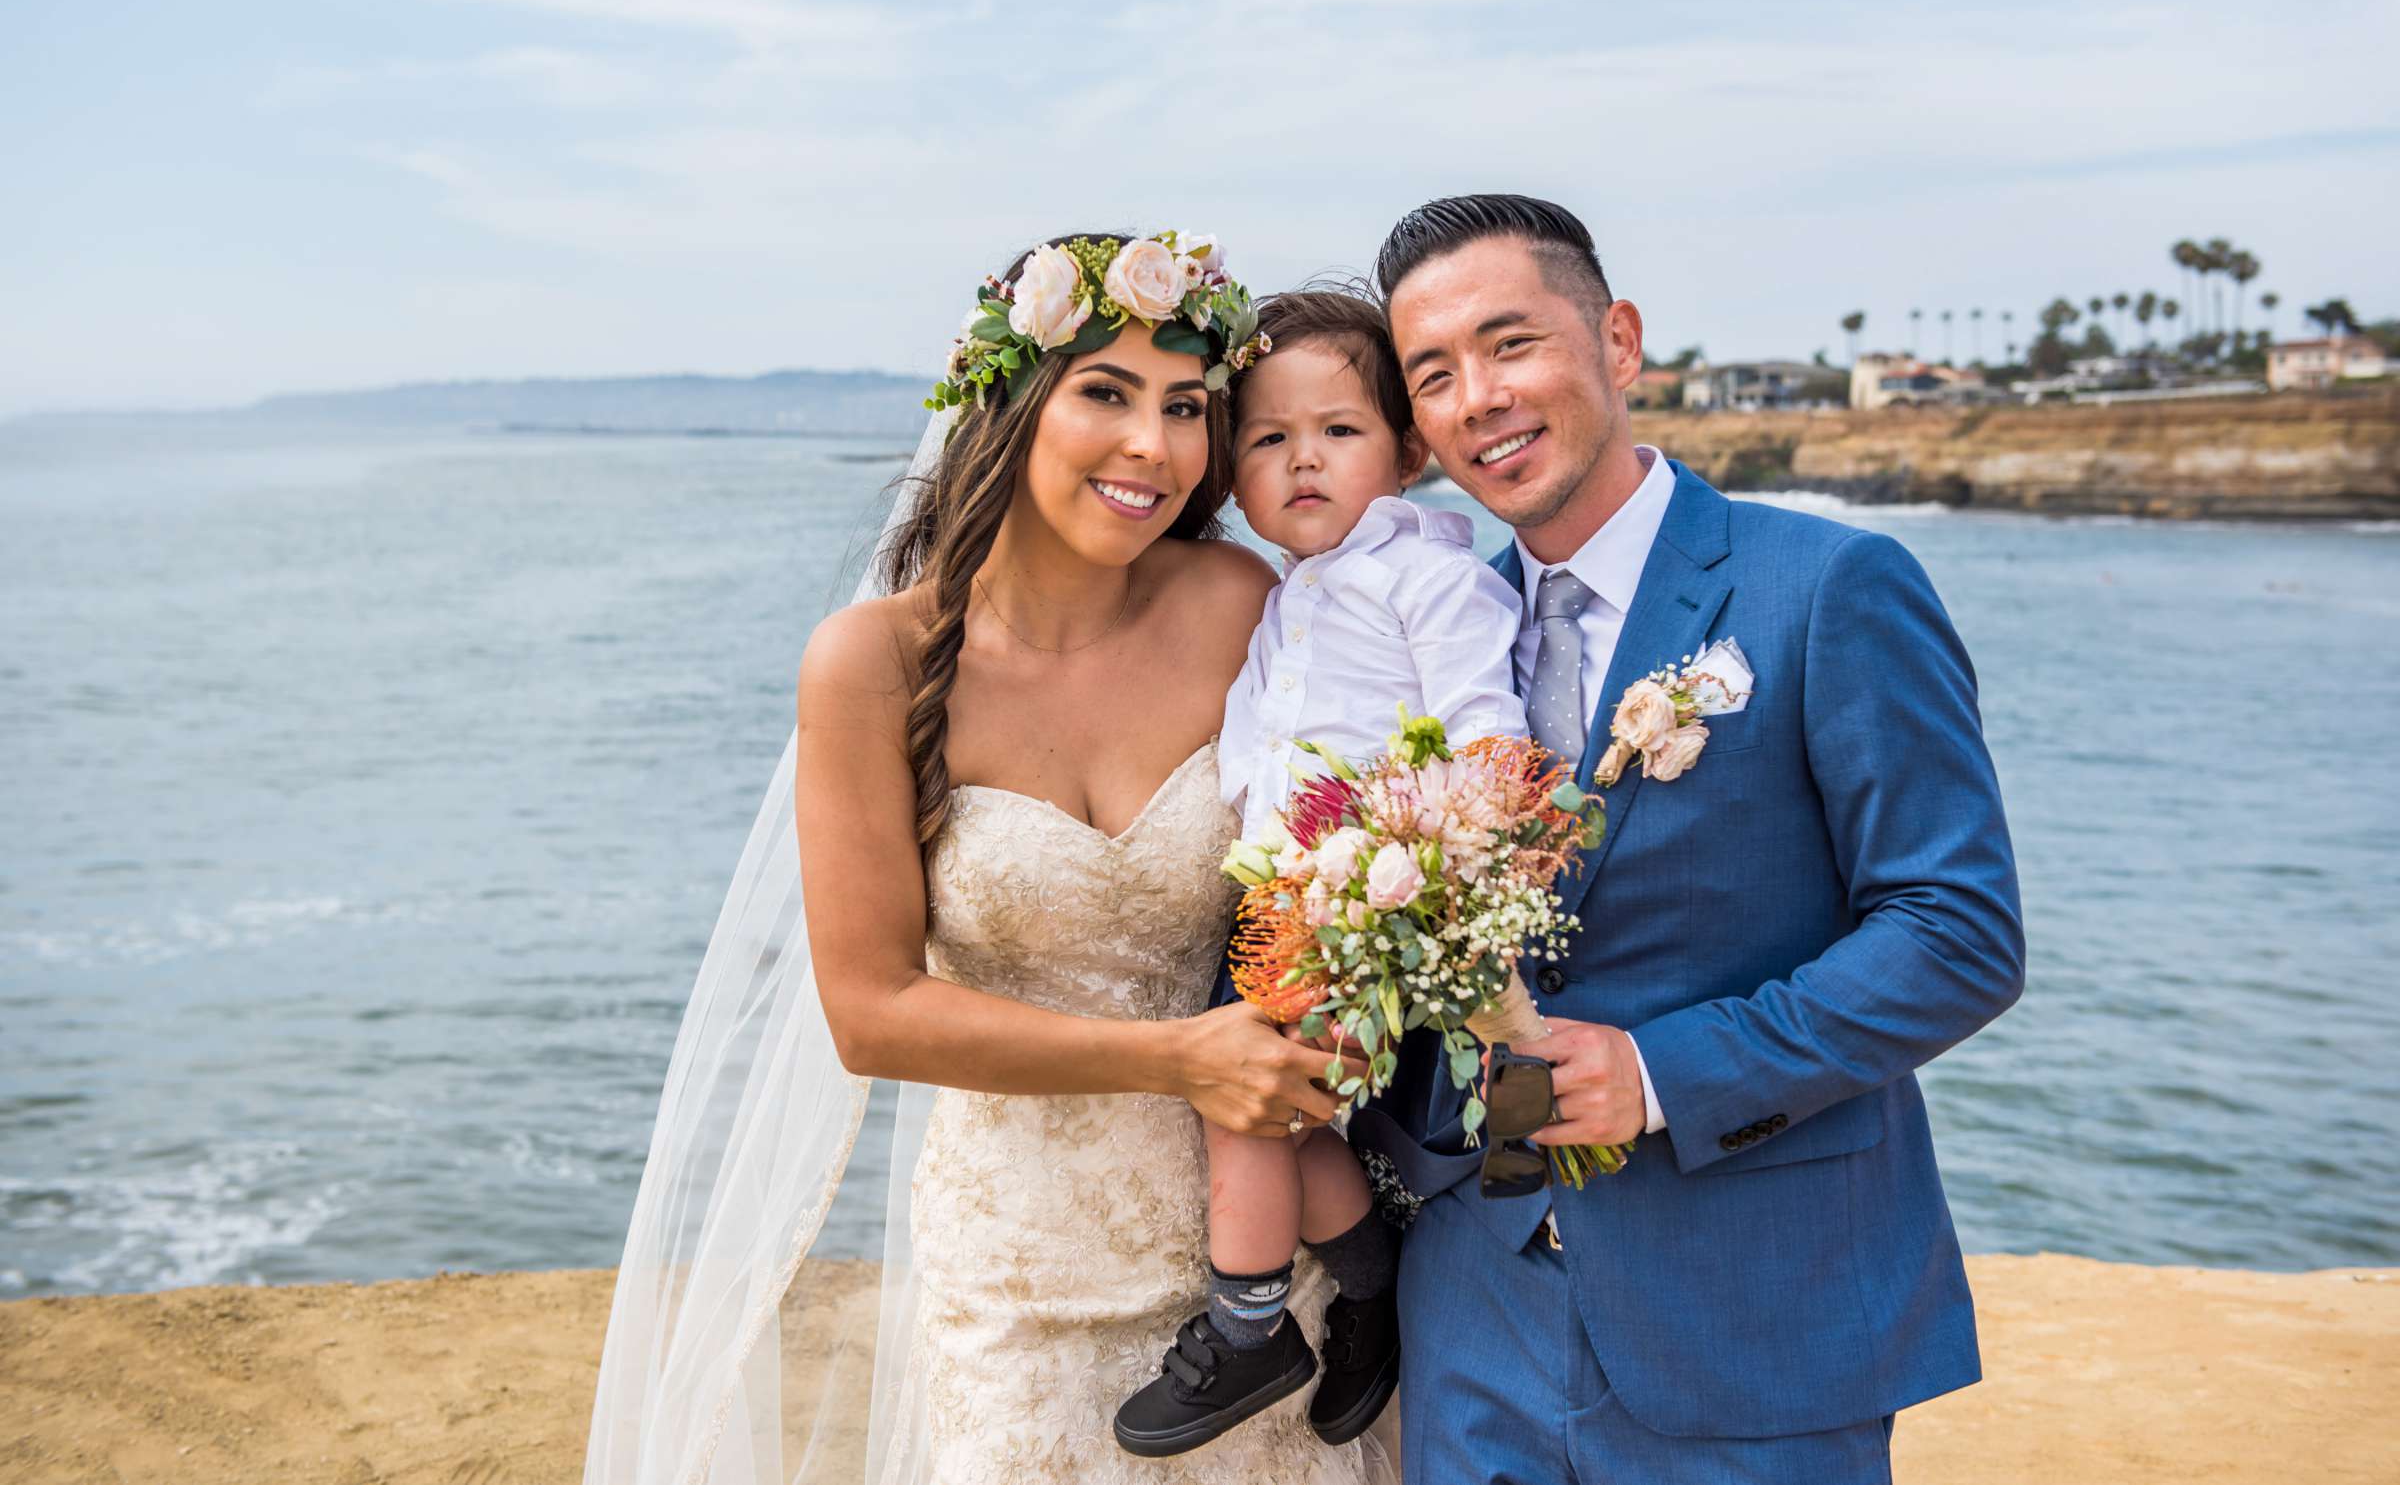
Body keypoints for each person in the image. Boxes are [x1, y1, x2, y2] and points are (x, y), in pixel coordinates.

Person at [582, 229, 1394, 1485]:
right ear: (1006, 408)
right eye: (1106, 394)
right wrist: (1177, 1058)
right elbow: (870, 1013)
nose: (1155, 446)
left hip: (1260, 1253)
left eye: (1188, 407)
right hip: (1024, 1273)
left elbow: (1352, 836)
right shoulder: (873, 664)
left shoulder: (1243, 603)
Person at [1347, 194, 2026, 1484]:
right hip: (1475, 1318)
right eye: (1434, 374)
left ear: (1619, 343)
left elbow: (1959, 935)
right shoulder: (1434, 637)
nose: (1478, 396)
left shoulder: (1828, 588)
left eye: (1512, 344)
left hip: (1752, 1312)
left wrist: (1660, 1075)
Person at [1113, 289, 1524, 1457]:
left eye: (1338, 432)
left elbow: (1485, 737)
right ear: (1230, 474)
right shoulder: (1284, 599)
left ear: (1405, 450)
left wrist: (1397, 876)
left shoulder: (1427, 580)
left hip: (1367, 898)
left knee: (1237, 1101)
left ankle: (1249, 1327)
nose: (1303, 462)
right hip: (1276, 901)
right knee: (1286, 1122)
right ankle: (1370, 1290)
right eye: (1267, 438)